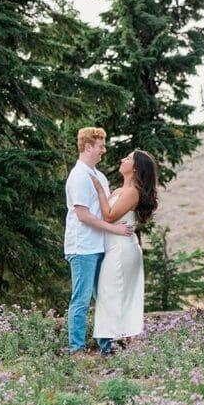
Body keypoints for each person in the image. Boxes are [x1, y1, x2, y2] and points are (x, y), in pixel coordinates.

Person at [65, 127, 134, 357]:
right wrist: (114, 229)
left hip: (99, 246)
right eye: (100, 145)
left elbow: (107, 211)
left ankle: (108, 347)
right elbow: (83, 216)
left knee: (104, 298)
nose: (104, 150)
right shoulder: (79, 176)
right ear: (88, 147)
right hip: (82, 247)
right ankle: (77, 350)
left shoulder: (99, 176)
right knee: (81, 299)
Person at [90, 149, 159, 350]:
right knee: (112, 293)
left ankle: (126, 341)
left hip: (122, 250)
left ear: (135, 168)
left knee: (117, 293)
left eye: (128, 158)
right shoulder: (121, 191)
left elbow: (109, 216)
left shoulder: (132, 192)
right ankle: (121, 340)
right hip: (115, 248)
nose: (122, 159)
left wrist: (101, 192)